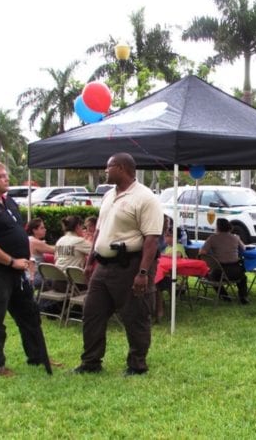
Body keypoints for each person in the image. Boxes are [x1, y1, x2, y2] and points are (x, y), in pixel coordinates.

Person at [73, 153, 163, 376]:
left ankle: (137, 364)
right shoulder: (109, 195)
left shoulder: (145, 198)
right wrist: (91, 260)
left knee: (135, 316)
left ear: (121, 168)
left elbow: (151, 240)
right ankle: (91, 362)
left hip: (129, 264)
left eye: (108, 167)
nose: (105, 171)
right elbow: (100, 231)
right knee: (92, 313)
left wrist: (143, 273)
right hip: (103, 266)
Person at [0, 161, 49, 377]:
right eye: (1, 176)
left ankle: (38, 356)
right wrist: (11, 261)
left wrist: (27, 259)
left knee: (29, 315)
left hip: (19, 271)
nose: (7, 179)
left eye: (6, 175)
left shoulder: (9, 201)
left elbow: (19, 234)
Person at [198, 218, 250, 304]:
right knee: (243, 278)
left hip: (219, 272)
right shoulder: (235, 237)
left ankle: (224, 296)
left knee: (210, 275)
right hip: (236, 271)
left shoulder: (213, 238)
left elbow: (202, 252)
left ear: (218, 227)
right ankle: (243, 296)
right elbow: (243, 248)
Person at [155, 230, 188, 321]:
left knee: (156, 284)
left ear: (175, 237)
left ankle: (159, 309)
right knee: (156, 281)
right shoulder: (168, 247)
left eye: (168, 235)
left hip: (176, 278)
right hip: (167, 276)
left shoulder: (178, 246)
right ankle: (158, 306)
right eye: (165, 235)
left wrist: (164, 255)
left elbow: (177, 255)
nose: (166, 237)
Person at [25, 217, 55, 289]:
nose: (45, 230)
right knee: (59, 280)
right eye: (42, 228)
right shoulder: (35, 242)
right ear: (34, 230)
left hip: (26, 274)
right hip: (35, 276)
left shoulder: (27, 239)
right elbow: (56, 250)